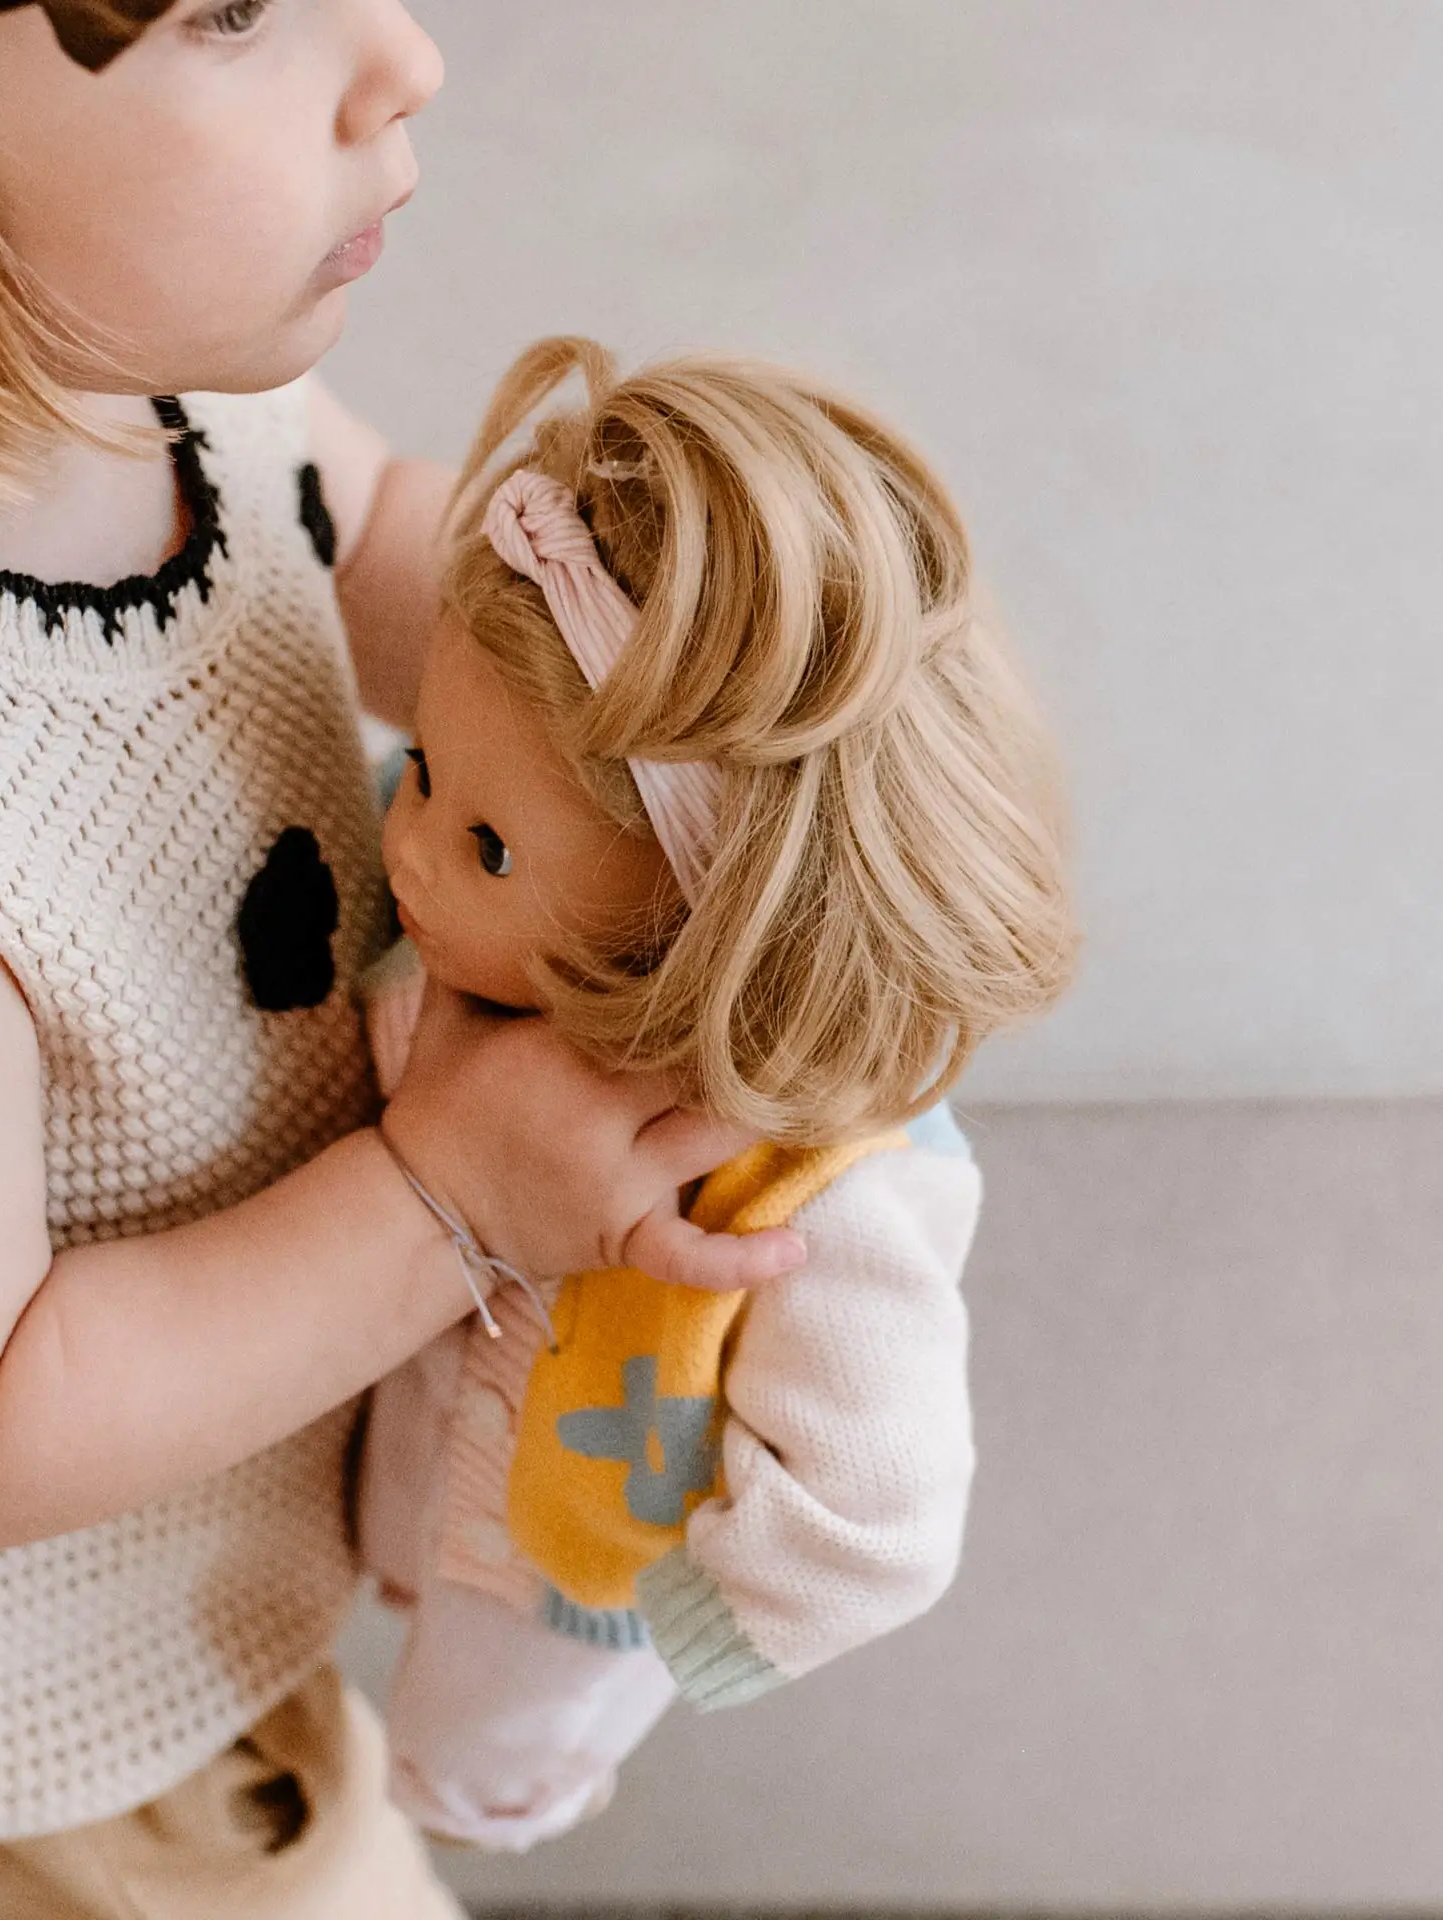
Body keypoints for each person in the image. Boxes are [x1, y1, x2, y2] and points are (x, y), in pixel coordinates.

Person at [0, 8, 804, 1915]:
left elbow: (389, 544)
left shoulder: (136, 374)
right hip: (29, 1750)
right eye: (234, 7)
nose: (403, 56)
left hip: (189, 1585)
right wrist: (451, 1196)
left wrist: (700, 731)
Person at [354, 338, 1078, 1851]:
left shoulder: (828, 1191)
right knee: (381, 1574)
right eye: (423, 768)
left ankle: (451, 1806)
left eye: (489, 848)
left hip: (563, 1583)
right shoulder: (453, 942)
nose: (408, 845)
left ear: (705, 924)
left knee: (458, 1770)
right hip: (394, 1425)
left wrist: (701, 1621)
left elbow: (883, 1505)